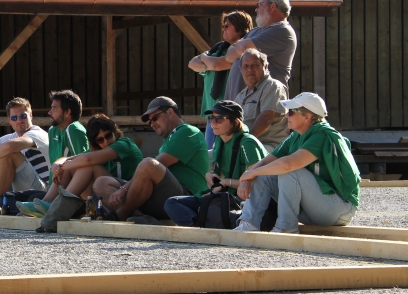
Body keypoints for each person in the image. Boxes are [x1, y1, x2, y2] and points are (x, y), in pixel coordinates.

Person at [234, 93, 360, 234]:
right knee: (265, 172)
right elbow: (265, 162)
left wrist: (251, 172)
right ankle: (249, 224)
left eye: (292, 112)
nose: (286, 115)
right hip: (315, 208)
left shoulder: (322, 134)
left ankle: (286, 227)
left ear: (308, 116)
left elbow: (288, 164)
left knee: (290, 171)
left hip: (339, 209)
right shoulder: (296, 135)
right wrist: (248, 178)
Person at [92, 97, 209, 225]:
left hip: (186, 199)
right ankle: (141, 218)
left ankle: (121, 214)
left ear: (170, 112)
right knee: (101, 183)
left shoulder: (187, 131)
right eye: (150, 121)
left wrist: (123, 189)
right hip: (162, 197)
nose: (152, 123)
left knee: (148, 164)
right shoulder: (169, 139)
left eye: (155, 118)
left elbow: (155, 165)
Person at [32, 114, 144, 231]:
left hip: (127, 195)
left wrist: (62, 167)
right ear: (95, 142)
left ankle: (54, 214)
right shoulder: (97, 149)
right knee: (74, 166)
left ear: (114, 132)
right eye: (100, 140)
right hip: (107, 197)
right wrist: (57, 165)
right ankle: (46, 204)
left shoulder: (124, 143)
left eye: (108, 136)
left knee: (87, 166)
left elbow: (87, 159)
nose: (106, 142)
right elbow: (70, 159)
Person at [164, 101, 267, 227]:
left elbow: (258, 182)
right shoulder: (219, 141)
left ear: (235, 121)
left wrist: (226, 182)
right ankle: (201, 226)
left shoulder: (247, 142)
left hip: (241, 202)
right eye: (211, 118)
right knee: (172, 203)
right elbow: (218, 177)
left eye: (219, 119)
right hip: (222, 198)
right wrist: (210, 176)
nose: (213, 122)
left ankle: (205, 224)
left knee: (214, 210)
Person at [197, 0, 297, 103]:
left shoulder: (282, 30)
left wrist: (239, 47)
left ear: (272, 6)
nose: (256, 9)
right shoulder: (255, 31)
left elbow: (243, 48)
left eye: (259, 5)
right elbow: (229, 56)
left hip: (261, 105)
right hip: (240, 105)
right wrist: (238, 47)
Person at [15, 90, 89, 216]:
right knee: (16, 199)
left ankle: (49, 204)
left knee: (66, 165)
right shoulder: (52, 130)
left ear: (67, 112)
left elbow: (84, 166)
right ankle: (47, 203)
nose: (50, 112)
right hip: (54, 188)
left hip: (75, 195)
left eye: (54, 109)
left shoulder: (74, 129)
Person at [187, 11, 253, 149]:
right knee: (210, 153)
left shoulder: (242, 52)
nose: (223, 29)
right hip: (213, 113)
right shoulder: (219, 48)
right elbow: (192, 63)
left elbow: (217, 65)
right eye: (223, 26)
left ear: (240, 28)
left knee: (224, 153)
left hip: (230, 114)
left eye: (227, 26)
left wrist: (205, 58)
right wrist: (210, 64)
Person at [234, 49, 290, 152]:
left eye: (255, 65)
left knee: (237, 157)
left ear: (265, 67)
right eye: (246, 66)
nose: (250, 69)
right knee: (209, 157)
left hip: (271, 147)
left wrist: (243, 142)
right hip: (248, 144)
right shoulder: (241, 96)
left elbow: (267, 117)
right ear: (241, 70)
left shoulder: (272, 86)